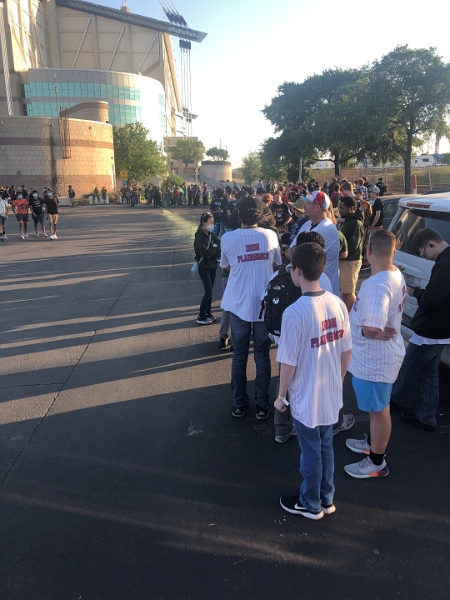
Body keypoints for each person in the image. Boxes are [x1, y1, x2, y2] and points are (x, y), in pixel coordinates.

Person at [276, 242, 352, 519]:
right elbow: (347, 350)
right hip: (330, 392)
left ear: (297, 271)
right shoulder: (338, 303)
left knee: (310, 450)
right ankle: (326, 497)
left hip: (306, 395)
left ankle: (310, 502)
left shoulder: (294, 312)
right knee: (325, 446)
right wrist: (338, 380)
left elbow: (288, 363)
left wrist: (281, 396)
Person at [344, 230, 406, 479]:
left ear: (368, 251)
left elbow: (372, 327)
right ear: (394, 251)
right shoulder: (394, 273)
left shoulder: (377, 286)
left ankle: (377, 461)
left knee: (379, 411)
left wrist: (369, 332)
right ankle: (371, 443)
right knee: (378, 408)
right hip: (378, 358)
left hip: (375, 361)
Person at [220, 196, 281, 419]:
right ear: (260, 214)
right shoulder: (270, 235)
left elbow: (225, 265)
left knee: (239, 354)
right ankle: (263, 404)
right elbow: (277, 263)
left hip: (238, 302)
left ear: (239, 214)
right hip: (264, 302)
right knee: (262, 355)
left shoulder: (227, 238)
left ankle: (239, 403)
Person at [391, 228, 450, 432]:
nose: (425, 257)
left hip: (430, 330)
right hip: (441, 330)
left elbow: (432, 300)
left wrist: (415, 292)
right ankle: (426, 416)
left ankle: (396, 401)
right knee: (428, 372)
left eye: (424, 251)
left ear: (431, 244)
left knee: (409, 367)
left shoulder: (444, 264)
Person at [291, 191, 340, 296]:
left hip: (323, 291)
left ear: (317, 207)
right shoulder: (308, 224)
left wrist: (295, 250)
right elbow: (289, 252)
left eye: (308, 203)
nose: (304, 206)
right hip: (312, 290)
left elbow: (299, 258)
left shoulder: (326, 229)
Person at [194, 212, 220, 325]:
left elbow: (219, 245)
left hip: (212, 265)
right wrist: (214, 249)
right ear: (203, 223)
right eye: (210, 223)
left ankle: (208, 313)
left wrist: (213, 250)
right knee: (208, 291)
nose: (211, 225)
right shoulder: (199, 236)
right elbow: (205, 253)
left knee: (210, 291)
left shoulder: (210, 234)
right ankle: (201, 316)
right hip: (204, 266)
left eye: (212, 223)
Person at [338, 196, 364, 312]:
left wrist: (340, 249)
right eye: (339, 207)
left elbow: (353, 245)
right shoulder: (348, 221)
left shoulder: (355, 223)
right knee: (345, 291)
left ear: (351, 208)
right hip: (346, 261)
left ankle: (352, 317)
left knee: (348, 292)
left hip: (351, 261)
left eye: (342, 208)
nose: (340, 210)